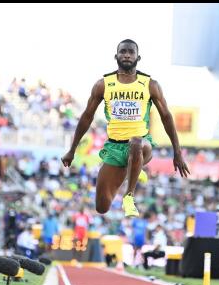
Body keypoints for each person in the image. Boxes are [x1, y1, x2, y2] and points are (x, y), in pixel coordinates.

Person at [61, 39, 190, 218]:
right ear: (116, 56)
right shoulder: (103, 84)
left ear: (138, 57)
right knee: (102, 206)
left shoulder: (150, 85)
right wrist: (72, 150)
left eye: (131, 52)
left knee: (136, 142)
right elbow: (86, 117)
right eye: (123, 51)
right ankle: (134, 171)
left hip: (142, 145)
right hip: (115, 147)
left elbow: (166, 117)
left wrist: (177, 152)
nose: (127, 55)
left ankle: (129, 196)